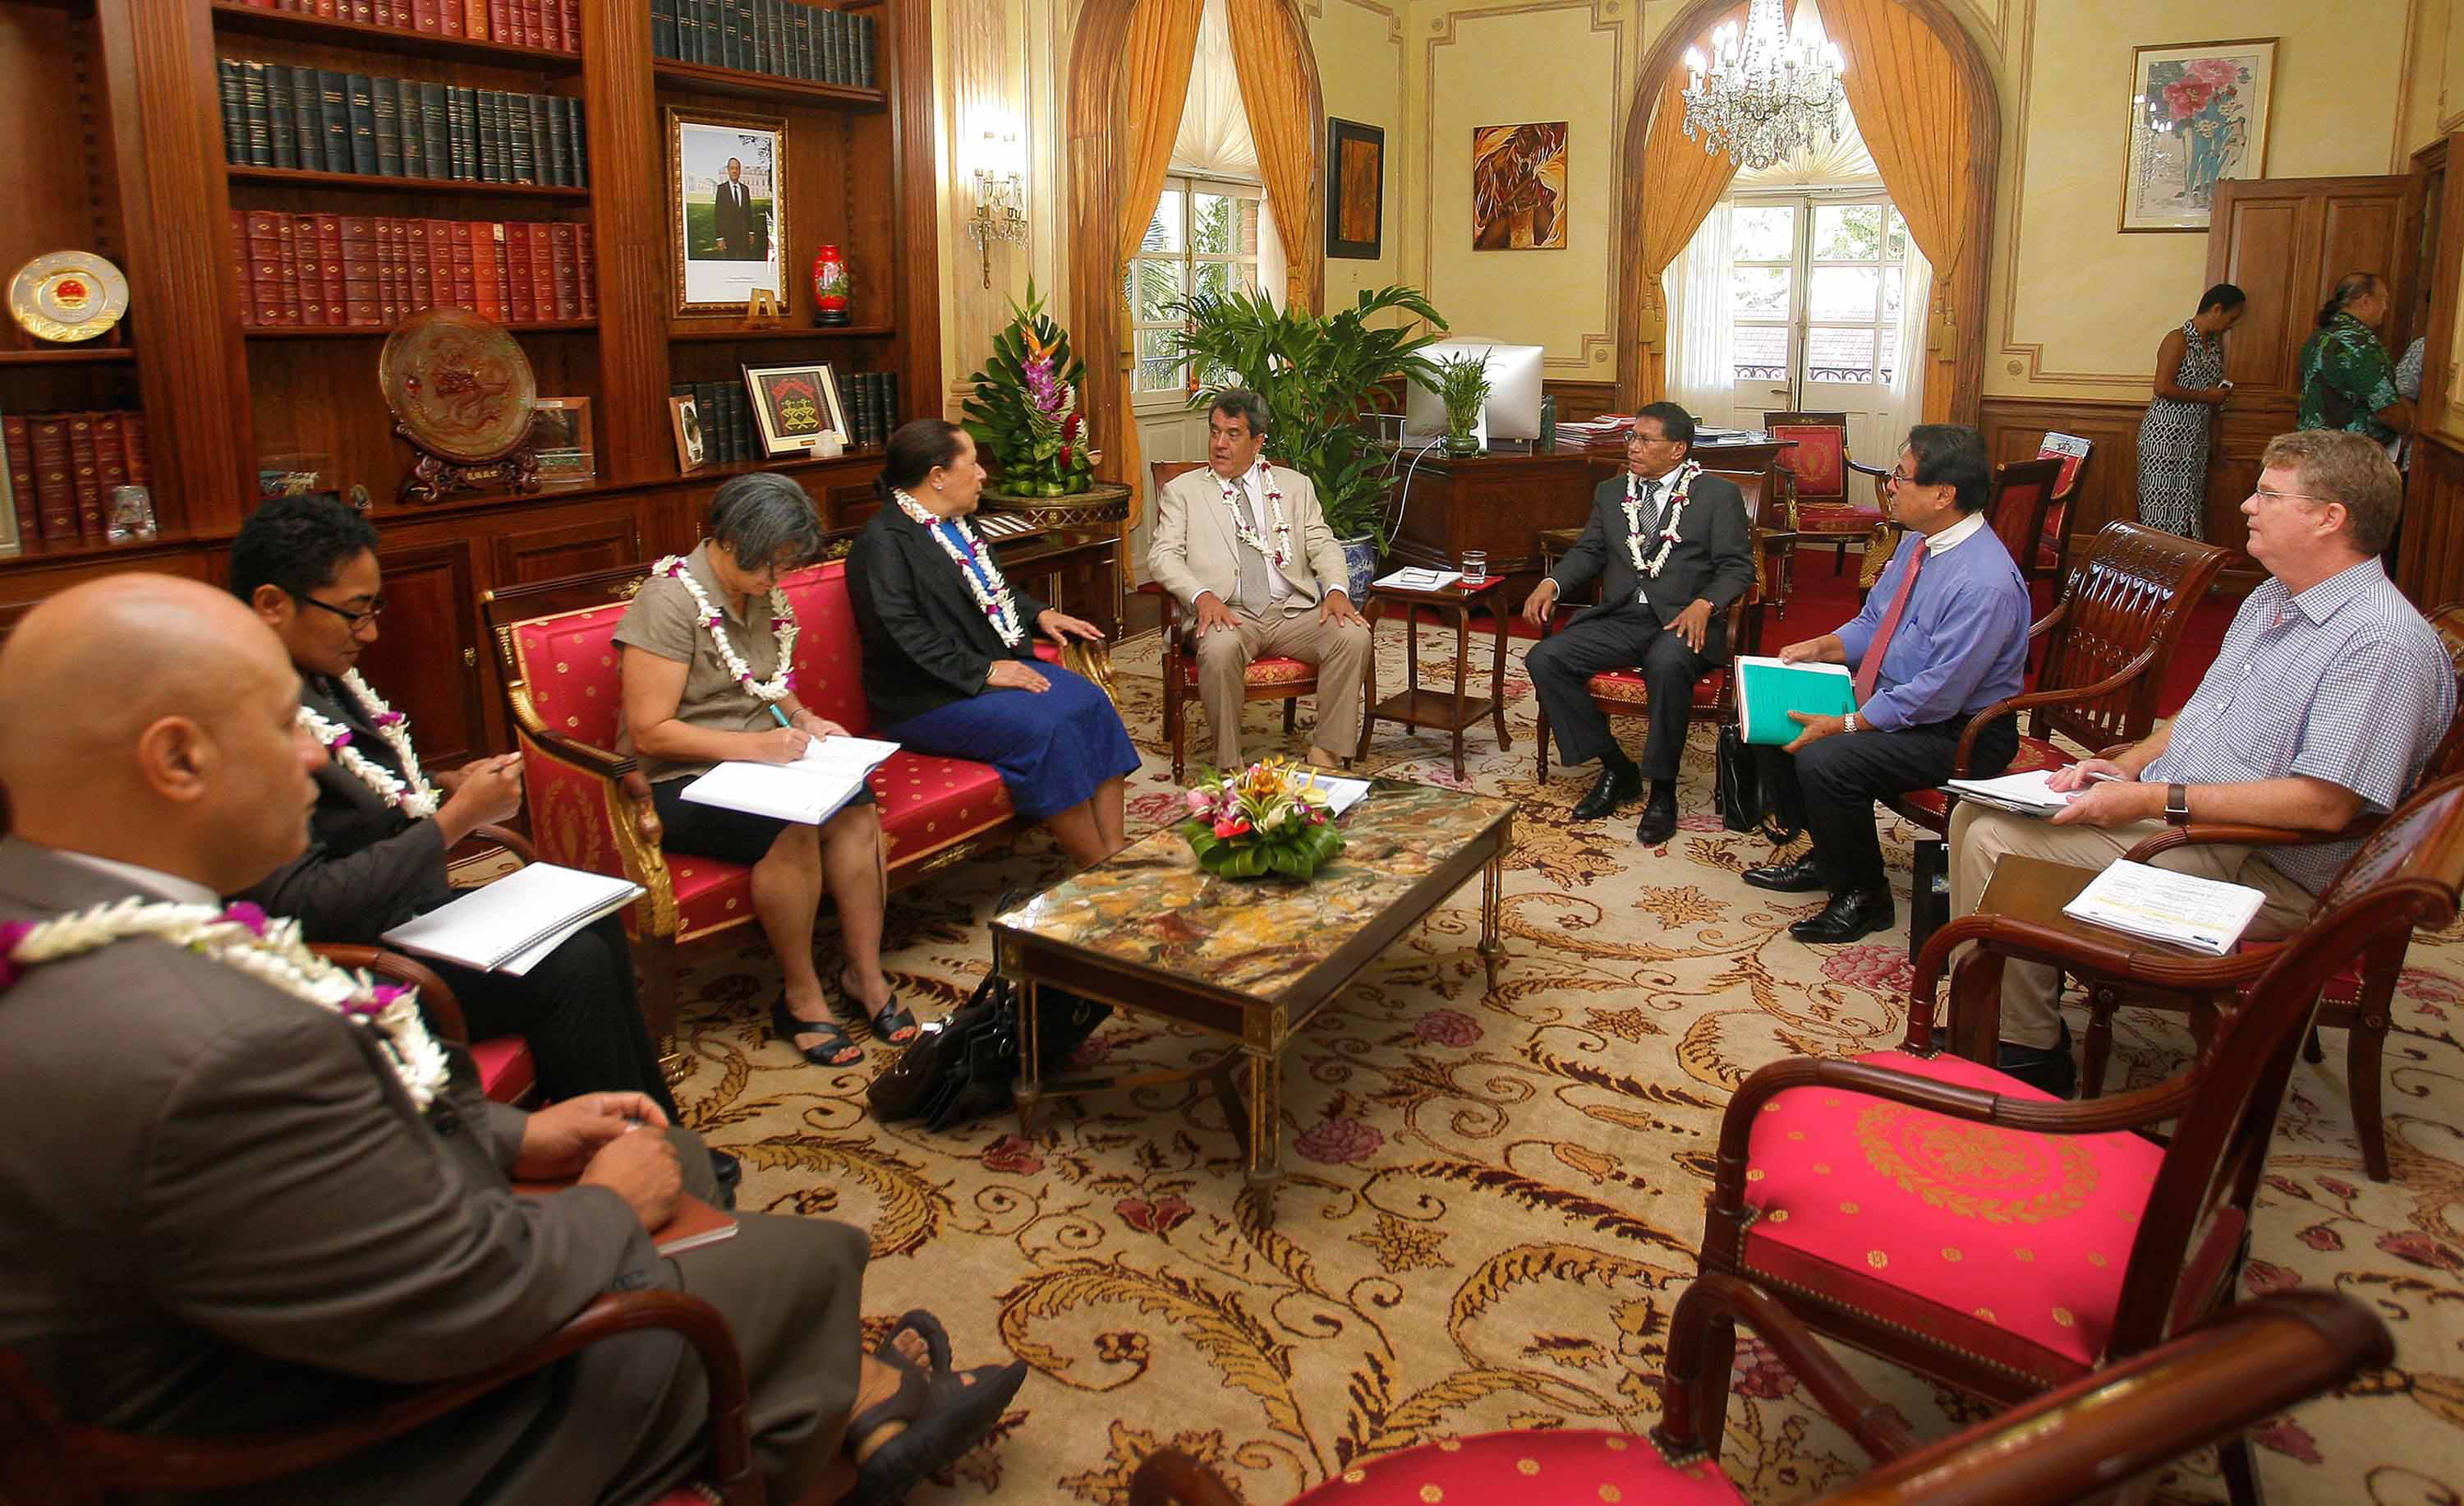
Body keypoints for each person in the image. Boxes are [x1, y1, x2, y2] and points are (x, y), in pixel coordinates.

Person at [0, 574, 1026, 1506]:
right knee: (803, 1258)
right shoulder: (211, 1048)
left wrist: (508, 1139)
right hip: (360, 1434)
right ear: (176, 758)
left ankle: (833, 1396)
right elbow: (474, 1300)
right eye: (284, 726)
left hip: (286, 1297)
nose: (318, 752)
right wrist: (601, 1204)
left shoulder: (62, 909)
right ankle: (842, 1417)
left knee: (669, 1157)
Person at [1948, 431, 2455, 1098]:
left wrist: (2152, 802)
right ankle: (1998, 1017)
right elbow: (2203, 712)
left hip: (2266, 865)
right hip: (2197, 823)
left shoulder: (2381, 644)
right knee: (1977, 810)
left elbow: (2324, 805)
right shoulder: (2275, 597)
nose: (2247, 504)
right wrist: (2127, 766)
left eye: (2270, 495)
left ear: (2330, 517)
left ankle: (2021, 1050)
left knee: (1997, 840)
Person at [228, 495, 691, 1140]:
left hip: (411, 911)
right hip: (348, 961)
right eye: (354, 612)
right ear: (273, 603)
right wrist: (453, 822)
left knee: (597, 928)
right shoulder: (242, 717)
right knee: (571, 967)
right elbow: (301, 902)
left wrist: (446, 785)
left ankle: (656, 1135)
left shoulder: (318, 674)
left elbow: (370, 794)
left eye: (373, 608)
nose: (370, 633)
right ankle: (603, 1147)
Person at [617, 473, 909, 1069]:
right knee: (791, 829)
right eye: (769, 566)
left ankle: (865, 974)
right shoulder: (670, 600)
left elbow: (767, 686)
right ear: (729, 542)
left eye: (785, 567)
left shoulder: (762, 592)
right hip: (678, 778)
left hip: (762, 758)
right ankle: (801, 997)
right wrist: (759, 749)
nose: (778, 580)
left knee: (855, 806)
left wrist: (806, 716)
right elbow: (650, 732)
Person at [1742, 424, 2031, 945]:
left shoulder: (1983, 582)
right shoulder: (1921, 546)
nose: (1890, 486)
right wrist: (1818, 648)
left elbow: (1940, 692)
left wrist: (1849, 722)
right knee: (1773, 711)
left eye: (1901, 477)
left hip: (1961, 732)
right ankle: (1828, 854)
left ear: (1944, 495)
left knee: (1825, 757)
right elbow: (1874, 622)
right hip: (1899, 699)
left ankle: (1864, 897)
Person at [848, 419, 1139, 868]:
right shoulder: (883, 543)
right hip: (926, 697)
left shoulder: (960, 525)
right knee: (1048, 727)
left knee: (1090, 702)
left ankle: (1115, 848)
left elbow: (993, 592)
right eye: (973, 464)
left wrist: (1040, 614)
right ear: (937, 476)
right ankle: (1095, 867)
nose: (984, 474)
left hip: (985, 672)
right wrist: (986, 671)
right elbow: (901, 632)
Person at [1519, 402, 1754, 844]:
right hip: (1624, 615)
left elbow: (1738, 569)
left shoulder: (1716, 495)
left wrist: (1706, 603)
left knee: (1667, 666)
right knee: (1546, 658)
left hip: (1685, 620)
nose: (1633, 447)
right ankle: (1616, 767)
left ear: (1678, 448)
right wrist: (1552, 583)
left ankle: (1663, 791)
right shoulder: (1611, 492)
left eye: (1646, 440)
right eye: (1632, 438)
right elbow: (1590, 552)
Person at [1147, 389, 1371, 772]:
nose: (1219, 444)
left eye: (1233, 435)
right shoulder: (1183, 491)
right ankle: (1230, 764)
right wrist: (1201, 597)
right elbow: (1162, 555)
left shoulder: (1295, 486)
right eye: (1214, 432)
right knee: (1217, 650)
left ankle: (1327, 752)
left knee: (1353, 635)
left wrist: (1335, 590)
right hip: (1226, 613)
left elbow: (1323, 542)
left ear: (1258, 441)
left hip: (1290, 612)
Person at [2135, 283, 2244, 539]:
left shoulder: (2214, 346)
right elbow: (2162, 387)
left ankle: (2184, 572)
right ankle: (2157, 572)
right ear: (2216, 309)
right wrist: (2207, 396)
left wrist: (2215, 438)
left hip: (2195, 438)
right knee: (2159, 506)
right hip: (2164, 435)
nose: (2232, 325)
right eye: (2231, 318)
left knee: (2189, 505)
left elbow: (2213, 393)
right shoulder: (2178, 339)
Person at [2298, 272, 2413, 447]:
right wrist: (2409, 429)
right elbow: (2386, 408)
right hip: (2350, 451)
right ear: (2366, 301)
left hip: (2313, 444)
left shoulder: (2318, 337)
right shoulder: (2358, 345)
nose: (2386, 308)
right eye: (2383, 300)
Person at [711, 156, 757, 260]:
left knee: (746, 263)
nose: (734, 171)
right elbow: (718, 215)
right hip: (729, 236)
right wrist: (720, 238)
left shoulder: (745, 189)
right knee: (730, 264)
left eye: (737, 168)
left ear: (740, 170)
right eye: (732, 168)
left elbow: (749, 213)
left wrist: (751, 233)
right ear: (728, 170)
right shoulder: (721, 189)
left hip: (744, 236)